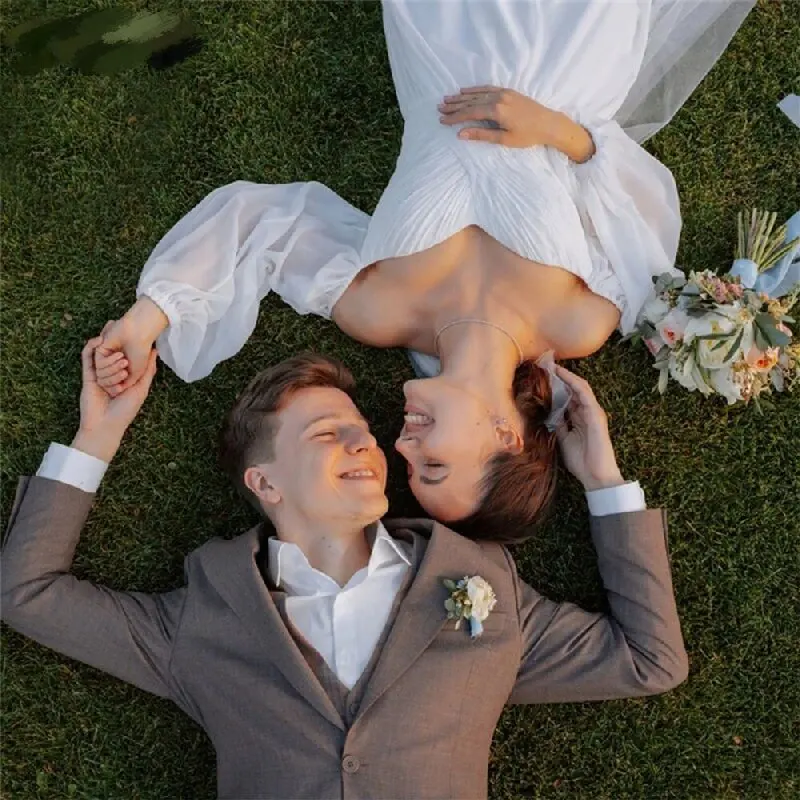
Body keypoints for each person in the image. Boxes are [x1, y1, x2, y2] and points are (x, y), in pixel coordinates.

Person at [92, 0, 753, 534]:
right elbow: (638, 206)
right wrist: (554, 130)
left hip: (440, 33)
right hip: (577, 45)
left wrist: (147, 318)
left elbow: (263, 222)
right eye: (432, 466)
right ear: (506, 436)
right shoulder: (581, 323)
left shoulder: (377, 312)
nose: (401, 449)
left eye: (408, 469)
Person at [2, 341, 687, 799]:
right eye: (329, 434)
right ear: (264, 483)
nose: (368, 441)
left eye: (362, 429)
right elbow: (28, 592)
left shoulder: (489, 588)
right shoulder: (199, 621)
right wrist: (99, 434)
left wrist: (602, 479)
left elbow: (650, 660)